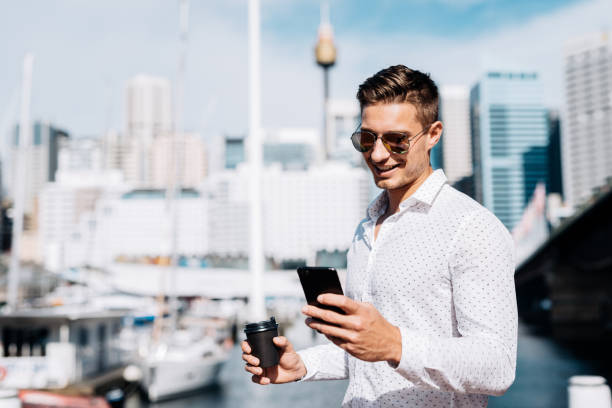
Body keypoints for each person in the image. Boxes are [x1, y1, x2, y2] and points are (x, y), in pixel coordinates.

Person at [242, 65, 517, 407]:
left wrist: (395, 344)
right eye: (368, 139)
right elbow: (368, 354)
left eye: (396, 140)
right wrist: (303, 365)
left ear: (433, 134)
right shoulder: (365, 230)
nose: (377, 154)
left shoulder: (471, 226)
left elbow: (497, 366)